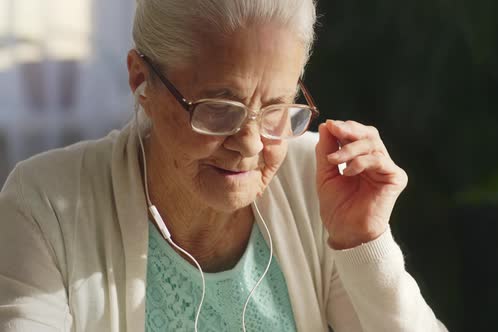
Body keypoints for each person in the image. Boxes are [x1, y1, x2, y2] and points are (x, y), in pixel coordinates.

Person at [0, 0, 448, 331]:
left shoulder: (318, 181)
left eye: (276, 109)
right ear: (141, 80)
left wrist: (363, 243)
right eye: (219, 108)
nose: (250, 144)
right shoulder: (44, 205)